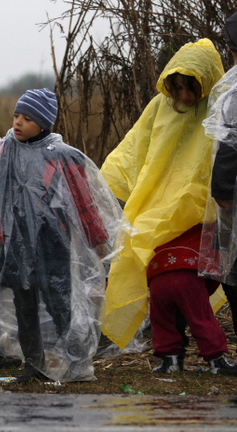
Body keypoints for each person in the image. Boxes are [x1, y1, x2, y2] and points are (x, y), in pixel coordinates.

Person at [0, 89, 124, 383]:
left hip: (52, 245)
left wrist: (97, 238)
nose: (18, 123)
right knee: (24, 307)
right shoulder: (3, 150)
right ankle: (34, 363)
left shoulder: (61, 156)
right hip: (14, 246)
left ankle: (79, 363)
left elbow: (83, 201)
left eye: (27, 119)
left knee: (60, 305)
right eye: (16, 116)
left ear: (43, 124)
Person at [101, 38, 237, 375]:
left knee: (188, 283)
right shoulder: (160, 106)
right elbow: (135, 147)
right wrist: (107, 182)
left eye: (190, 88)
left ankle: (207, 352)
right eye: (176, 88)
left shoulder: (221, 103)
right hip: (158, 207)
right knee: (163, 284)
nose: (184, 96)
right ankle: (172, 353)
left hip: (202, 211)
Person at [199, 11, 237, 340]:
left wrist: (221, 187)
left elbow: (229, 140)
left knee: (233, 269)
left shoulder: (233, 90)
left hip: (234, 197)